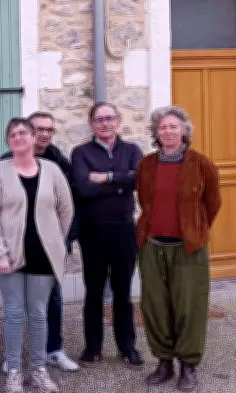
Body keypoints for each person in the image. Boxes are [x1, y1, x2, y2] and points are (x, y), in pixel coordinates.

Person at [0, 117, 74, 393]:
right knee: (12, 313)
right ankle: (13, 371)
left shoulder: (53, 170)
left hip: (43, 256)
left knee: (38, 314)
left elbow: (66, 209)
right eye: (13, 134)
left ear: (34, 138)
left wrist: (55, 241)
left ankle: (38, 370)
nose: (19, 137)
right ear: (8, 141)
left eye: (24, 133)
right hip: (8, 257)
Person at [135, 106, 221, 391]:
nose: (168, 131)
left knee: (190, 307)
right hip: (152, 245)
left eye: (173, 126)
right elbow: (145, 201)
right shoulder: (146, 165)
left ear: (184, 130)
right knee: (156, 306)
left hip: (188, 248)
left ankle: (188, 364)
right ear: (156, 134)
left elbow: (213, 203)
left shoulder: (201, 163)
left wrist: (195, 229)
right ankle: (163, 362)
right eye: (162, 127)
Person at [0, 111, 80, 373]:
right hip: (15, 245)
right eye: (39, 129)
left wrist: (60, 239)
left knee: (51, 301)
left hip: (50, 245)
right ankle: (14, 357)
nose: (44, 134)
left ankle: (53, 350)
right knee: (16, 306)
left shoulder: (58, 163)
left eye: (48, 130)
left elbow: (68, 203)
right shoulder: (4, 164)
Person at [71, 102, 144, 367]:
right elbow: (83, 188)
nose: (105, 123)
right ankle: (92, 347)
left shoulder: (132, 150)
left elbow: (138, 180)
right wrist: (120, 182)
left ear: (118, 121)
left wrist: (105, 177)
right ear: (92, 124)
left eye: (109, 118)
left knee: (123, 292)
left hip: (124, 229)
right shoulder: (80, 153)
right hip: (93, 231)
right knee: (93, 291)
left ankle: (127, 347)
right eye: (99, 120)